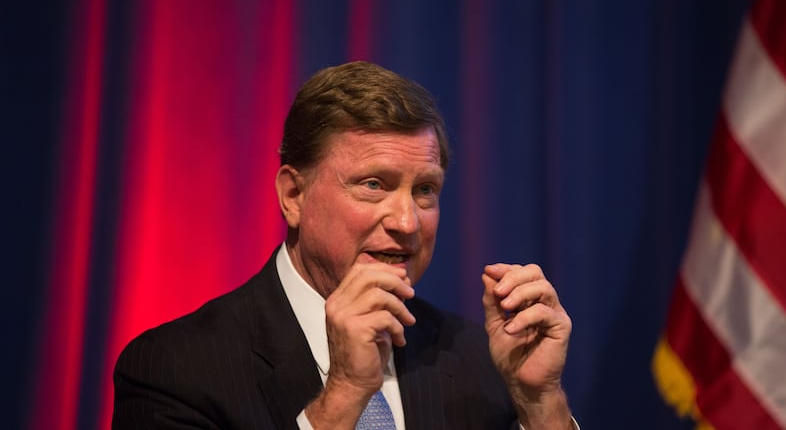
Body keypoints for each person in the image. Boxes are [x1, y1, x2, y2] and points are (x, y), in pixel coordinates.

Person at [113, 61, 576, 429]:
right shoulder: (175, 369)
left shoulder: (483, 361)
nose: (406, 222)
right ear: (293, 196)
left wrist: (540, 403)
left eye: (425, 190)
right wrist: (346, 393)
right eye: (374, 184)